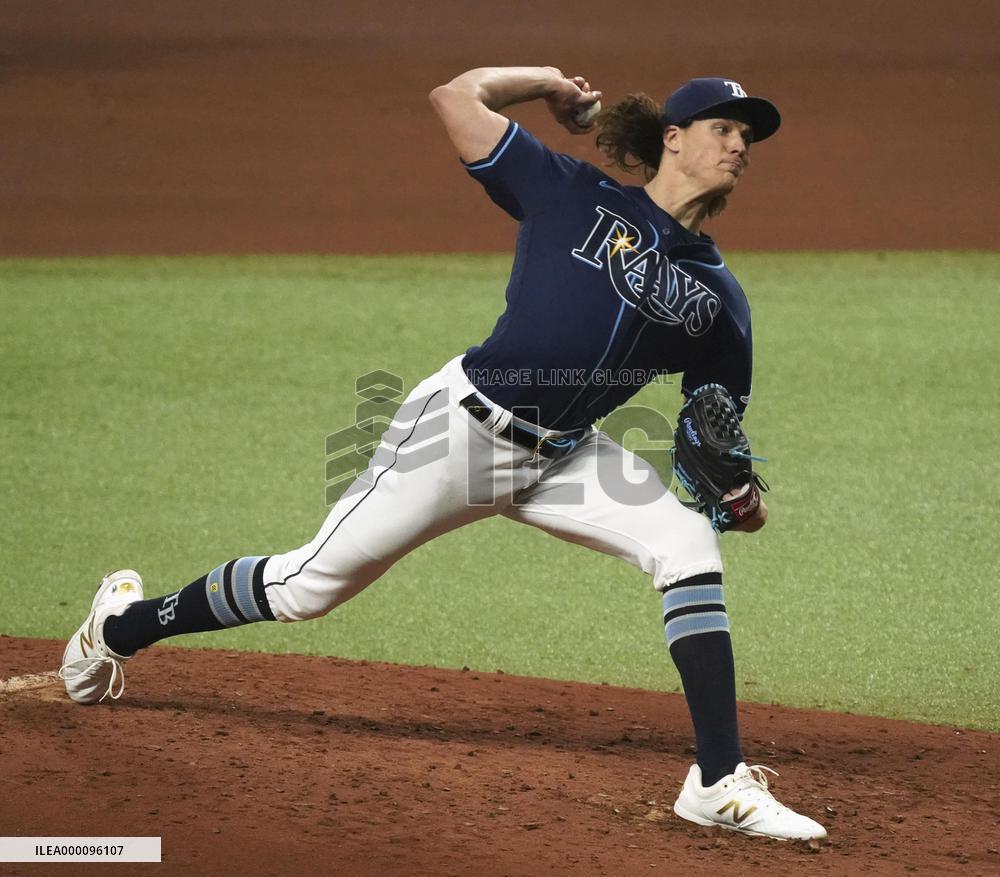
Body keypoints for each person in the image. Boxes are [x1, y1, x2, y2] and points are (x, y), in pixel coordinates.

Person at [59, 66, 826, 841]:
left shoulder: (720, 298)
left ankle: (718, 781)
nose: (740, 146)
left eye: (747, 136)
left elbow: (716, 426)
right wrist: (547, 84)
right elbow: (455, 99)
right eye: (724, 128)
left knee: (687, 545)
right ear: (673, 137)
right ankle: (119, 625)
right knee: (305, 587)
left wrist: (737, 499)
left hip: (565, 459)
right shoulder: (570, 191)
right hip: (457, 434)